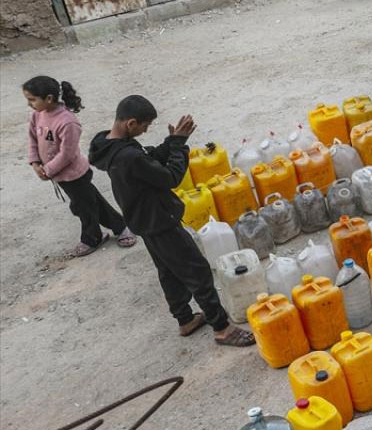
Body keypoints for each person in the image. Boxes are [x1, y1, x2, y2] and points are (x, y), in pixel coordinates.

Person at [88, 96, 255, 347]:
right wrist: (179, 148)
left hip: (144, 220)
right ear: (131, 123)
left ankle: (185, 319)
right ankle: (222, 328)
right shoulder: (128, 156)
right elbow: (170, 177)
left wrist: (172, 141)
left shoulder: (107, 145)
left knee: (168, 271)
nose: (146, 130)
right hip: (160, 220)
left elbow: (149, 157)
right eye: (145, 126)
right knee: (196, 270)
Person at [24, 76, 136, 258]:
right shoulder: (37, 115)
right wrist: (35, 162)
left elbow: (67, 154)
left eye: (32, 99)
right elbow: (33, 140)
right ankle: (121, 227)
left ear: (49, 99)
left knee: (83, 207)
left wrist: (48, 170)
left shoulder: (68, 122)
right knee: (91, 202)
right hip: (59, 176)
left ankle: (93, 238)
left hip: (75, 175)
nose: (29, 104)